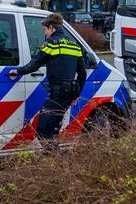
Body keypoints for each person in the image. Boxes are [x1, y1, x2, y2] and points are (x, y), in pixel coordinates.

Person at [8, 13, 87, 142]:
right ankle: (56, 158)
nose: (46, 33)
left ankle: (55, 158)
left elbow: (34, 65)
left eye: (45, 30)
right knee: (53, 130)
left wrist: (17, 71)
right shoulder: (74, 45)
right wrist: (76, 95)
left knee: (43, 131)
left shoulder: (51, 44)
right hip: (69, 93)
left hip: (57, 93)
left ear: (51, 28)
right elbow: (82, 74)